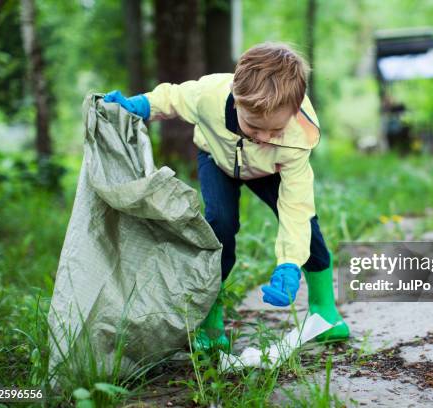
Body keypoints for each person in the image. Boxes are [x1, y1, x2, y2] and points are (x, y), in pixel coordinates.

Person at [104, 42, 349, 352]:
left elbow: (296, 209)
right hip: (217, 159)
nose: (263, 137)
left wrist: (289, 263)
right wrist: (140, 105)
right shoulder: (210, 95)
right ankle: (211, 320)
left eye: (275, 130)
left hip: (269, 168)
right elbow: (174, 98)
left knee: (308, 227)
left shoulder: (297, 136)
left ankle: (324, 311)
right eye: (255, 126)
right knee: (220, 224)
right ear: (236, 100)